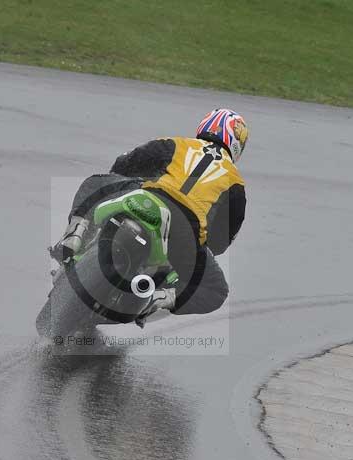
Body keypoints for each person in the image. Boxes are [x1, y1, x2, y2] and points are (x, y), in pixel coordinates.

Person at [51, 108, 248, 320]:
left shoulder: (178, 144)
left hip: (149, 199)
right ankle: (162, 297)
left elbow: (124, 164)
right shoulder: (236, 183)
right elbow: (220, 242)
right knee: (216, 290)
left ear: (205, 126)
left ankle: (74, 235)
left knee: (96, 182)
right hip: (185, 232)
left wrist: (132, 179)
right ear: (238, 144)